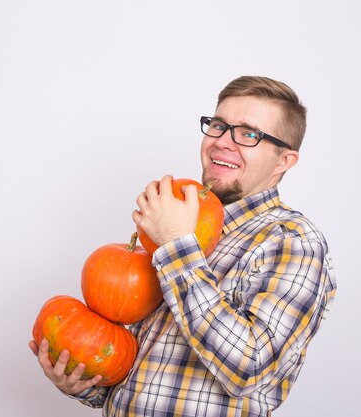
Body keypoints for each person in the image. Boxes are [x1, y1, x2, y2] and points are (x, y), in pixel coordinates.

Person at [29, 75, 337, 416]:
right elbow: (146, 369)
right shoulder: (181, 223)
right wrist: (88, 383)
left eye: (249, 134)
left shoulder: (293, 240)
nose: (222, 141)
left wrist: (175, 245)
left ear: (284, 161)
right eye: (218, 125)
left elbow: (249, 369)